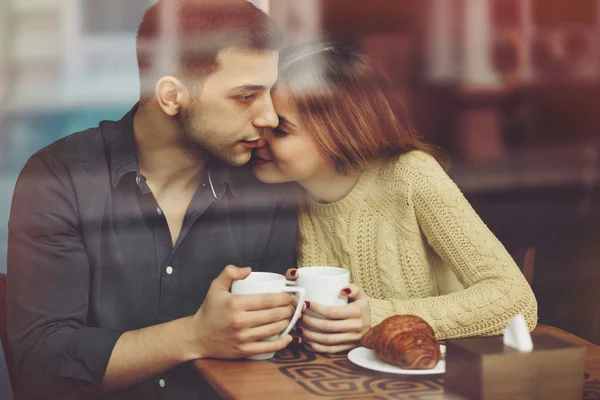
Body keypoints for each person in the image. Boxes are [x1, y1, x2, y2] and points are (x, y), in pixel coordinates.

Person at [7, 1, 300, 398]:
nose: (268, 117)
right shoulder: (60, 179)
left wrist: (338, 319)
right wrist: (194, 336)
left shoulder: (267, 186)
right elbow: (42, 367)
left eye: (270, 92)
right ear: (170, 96)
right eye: (246, 97)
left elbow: (279, 346)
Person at [251, 41, 538, 353]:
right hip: (349, 379)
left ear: (339, 131)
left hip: (441, 376)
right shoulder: (285, 197)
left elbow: (517, 302)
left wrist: (377, 317)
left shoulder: (411, 175)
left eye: (280, 129)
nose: (258, 135)